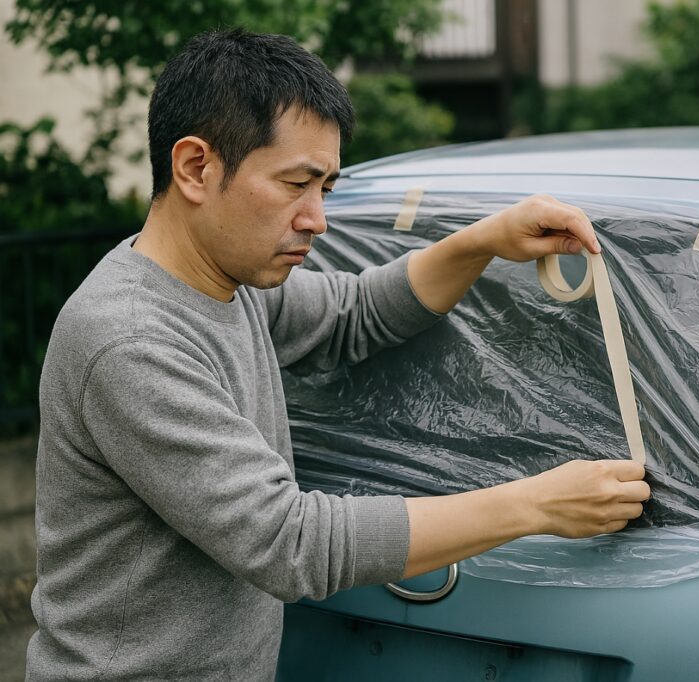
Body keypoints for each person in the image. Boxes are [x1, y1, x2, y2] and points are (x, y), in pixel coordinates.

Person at [26, 28, 649, 681]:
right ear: (195, 168)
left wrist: (485, 240)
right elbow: (289, 542)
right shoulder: (130, 340)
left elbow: (357, 312)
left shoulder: (227, 282)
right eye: (296, 183)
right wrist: (537, 506)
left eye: (324, 187)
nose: (317, 219)